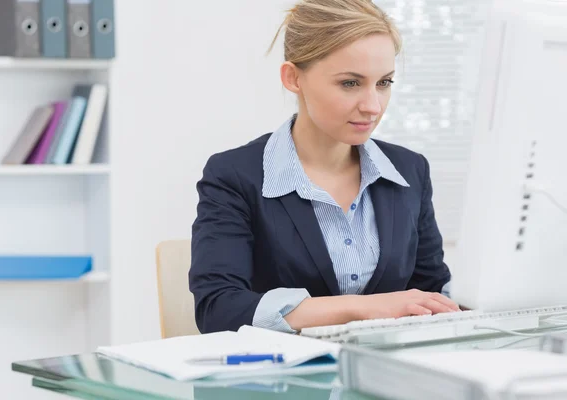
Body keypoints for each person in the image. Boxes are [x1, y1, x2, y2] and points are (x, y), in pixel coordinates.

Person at [189, 0, 460, 335]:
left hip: (384, 378)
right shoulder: (233, 175)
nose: (373, 106)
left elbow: (431, 292)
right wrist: (366, 309)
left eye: (384, 82)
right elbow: (219, 310)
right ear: (293, 78)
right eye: (350, 83)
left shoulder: (409, 170)